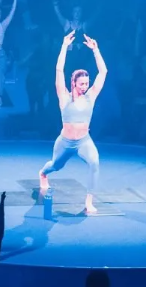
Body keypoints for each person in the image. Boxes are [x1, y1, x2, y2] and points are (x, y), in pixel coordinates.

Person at [40, 31, 107, 215]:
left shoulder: (91, 96)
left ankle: (88, 202)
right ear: (74, 83)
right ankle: (43, 174)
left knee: (94, 163)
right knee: (55, 166)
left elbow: (103, 72)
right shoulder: (64, 97)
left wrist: (95, 50)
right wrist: (64, 47)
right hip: (65, 142)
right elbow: (59, 70)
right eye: (82, 83)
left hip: (84, 141)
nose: (85, 86)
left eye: (87, 83)